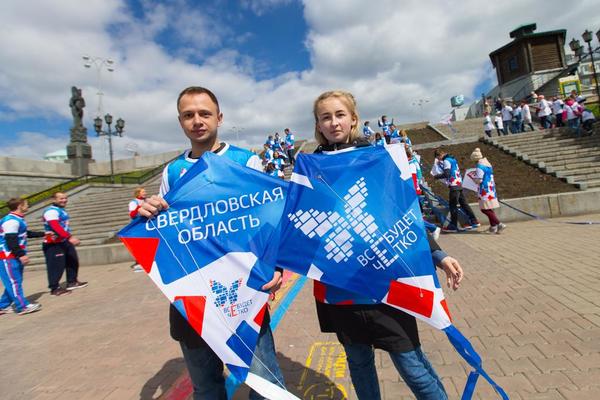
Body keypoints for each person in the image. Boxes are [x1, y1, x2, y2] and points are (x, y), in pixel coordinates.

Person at [311, 90, 464, 400]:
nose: (333, 122)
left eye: (340, 114)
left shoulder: (378, 159)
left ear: (353, 119)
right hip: (340, 286)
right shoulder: (310, 168)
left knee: (411, 365)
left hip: (385, 280)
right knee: (359, 363)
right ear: (318, 124)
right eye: (325, 117)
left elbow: (402, 214)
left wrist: (438, 255)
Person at [138, 86, 286, 400]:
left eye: (204, 113)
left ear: (219, 117)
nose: (197, 120)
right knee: (206, 389)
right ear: (180, 122)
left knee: (265, 385)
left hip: (244, 293)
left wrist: (277, 267)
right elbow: (167, 233)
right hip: (194, 298)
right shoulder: (173, 171)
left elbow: (270, 220)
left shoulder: (246, 161)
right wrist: (148, 213)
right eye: (188, 115)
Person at [0, 198, 44, 315]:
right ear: (20, 205)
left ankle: (2, 306)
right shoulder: (11, 221)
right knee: (14, 282)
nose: (28, 205)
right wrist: (21, 255)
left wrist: (43, 233)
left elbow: (25, 233)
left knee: (14, 282)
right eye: (26, 204)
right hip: (8, 256)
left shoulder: (16, 219)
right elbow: (11, 241)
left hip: (11, 256)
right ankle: (22, 306)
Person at [42, 192, 86, 295]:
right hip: (53, 243)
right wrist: (69, 237)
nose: (64, 200)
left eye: (65, 198)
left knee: (73, 260)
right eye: (61, 198)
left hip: (63, 241)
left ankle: (72, 281)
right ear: (54, 200)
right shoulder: (51, 211)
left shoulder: (60, 210)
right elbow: (54, 226)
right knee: (56, 266)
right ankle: (54, 288)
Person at [432, 148, 480, 232]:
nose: (439, 159)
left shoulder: (446, 161)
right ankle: (474, 220)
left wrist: (437, 176)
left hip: (454, 185)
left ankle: (453, 226)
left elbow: (447, 174)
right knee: (464, 204)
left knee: (452, 205)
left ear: (440, 155)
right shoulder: (452, 159)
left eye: (438, 157)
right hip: (459, 183)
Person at [469, 148, 506, 234]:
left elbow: (479, 180)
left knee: (484, 209)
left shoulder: (479, 167)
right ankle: (493, 227)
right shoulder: (487, 164)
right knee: (489, 208)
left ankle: (499, 223)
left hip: (484, 190)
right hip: (490, 188)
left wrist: (473, 178)